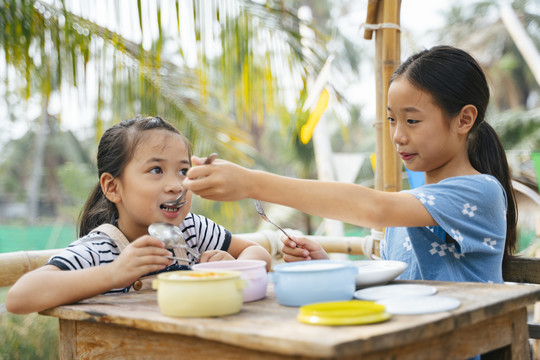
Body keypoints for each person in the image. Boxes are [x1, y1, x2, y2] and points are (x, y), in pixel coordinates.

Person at [183, 46, 517, 284]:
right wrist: (325, 263)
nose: (398, 136)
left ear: (464, 119)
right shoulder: (406, 210)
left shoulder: (480, 192)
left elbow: (374, 208)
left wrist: (252, 183)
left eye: (412, 121)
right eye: (391, 120)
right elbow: (393, 286)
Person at [6, 116, 271, 314]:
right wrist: (114, 273)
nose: (176, 185)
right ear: (112, 187)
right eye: (156, 170)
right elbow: (19, 298)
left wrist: (231, 266)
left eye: (182, 171)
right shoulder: (100, 250)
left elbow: (259, 254)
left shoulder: (191, 231)